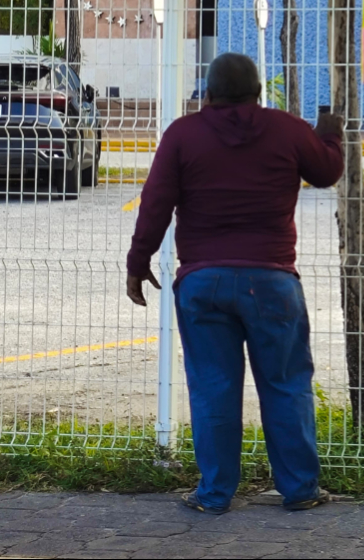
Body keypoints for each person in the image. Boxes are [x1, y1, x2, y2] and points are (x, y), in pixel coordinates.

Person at [126, 53, 344, 515]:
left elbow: (156, 203)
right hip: (272, 280)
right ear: (258, 92)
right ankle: (301, 489)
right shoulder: (286, 129)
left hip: (203, 280)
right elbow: (326, 171)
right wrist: (330, 133)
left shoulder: (183, 135)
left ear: (207, 93)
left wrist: (137, 261)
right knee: (286, 384)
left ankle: (214, 493)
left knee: (213, 386)